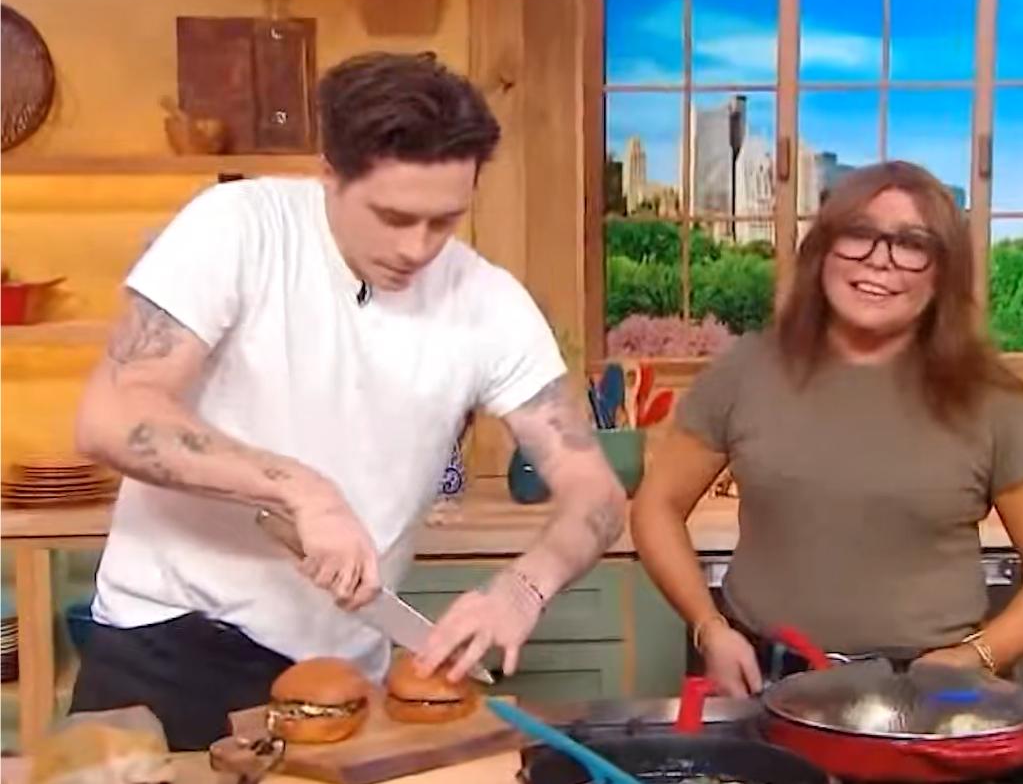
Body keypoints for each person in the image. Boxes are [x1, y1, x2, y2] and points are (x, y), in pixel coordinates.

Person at [70, 52, 626, 750]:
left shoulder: (490, 305)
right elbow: (112, 413)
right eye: (392, 216)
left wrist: (523, 588)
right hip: (167, 647)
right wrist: (300, 489)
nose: (416, 248)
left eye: (444, 221)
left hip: (343, 676)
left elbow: (597, 494)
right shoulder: (237, 228)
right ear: (329, 173)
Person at [631, 161, 1023, 696]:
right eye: (859, 234)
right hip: (762, 684)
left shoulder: (992, 401)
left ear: (942, 271)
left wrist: (974, 658)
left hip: (928, 696)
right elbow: (656, 507)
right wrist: (708, 628)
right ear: (823, 250)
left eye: (911, 244)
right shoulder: (744, 372)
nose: (879, 259)